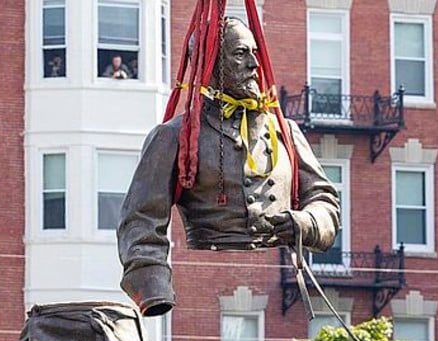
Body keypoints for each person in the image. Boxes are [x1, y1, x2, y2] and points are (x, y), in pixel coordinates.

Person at [117, 17, 341, 317]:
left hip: (272, 262)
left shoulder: (283, 131)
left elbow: (325, 200)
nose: (254, 64)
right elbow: (141, 216)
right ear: (210, 65)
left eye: (255, 53)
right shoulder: (174, 136)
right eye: (240, 53)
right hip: (205, 264)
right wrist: (153, 289)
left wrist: (306, 223)